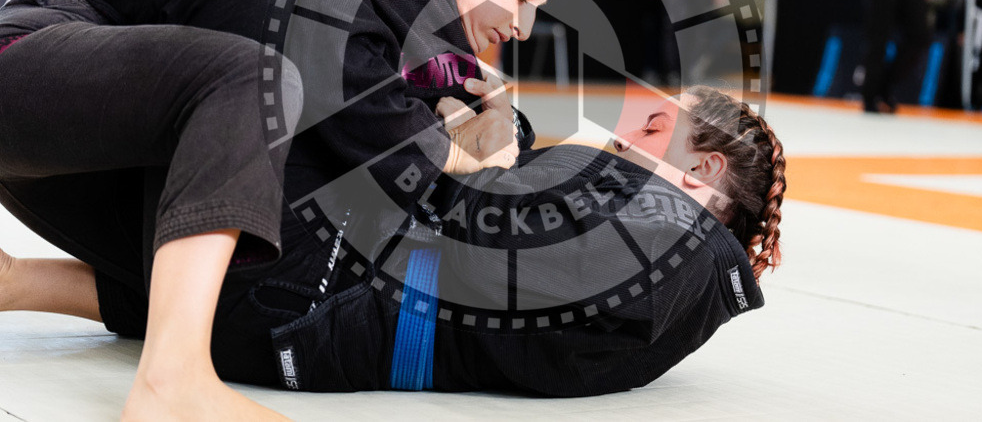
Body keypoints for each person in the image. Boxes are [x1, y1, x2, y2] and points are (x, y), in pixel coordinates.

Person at [1, 0, 564, 415]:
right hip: (64, 31)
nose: (522, 26)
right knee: (262, 36)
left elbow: (444, 149)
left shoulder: (432, 54)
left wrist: (499, 125)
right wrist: (453, 151)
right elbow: (339, 72)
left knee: (237, 253)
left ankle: (16, 282)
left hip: (100, 112)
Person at [1, 83, 785, 398]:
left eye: (655, 127)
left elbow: (488, 234)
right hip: (296, 315)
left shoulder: (671, 241)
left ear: (701, 171)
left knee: (256, 70)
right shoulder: (666, 257)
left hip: (309, 288)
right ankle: (21, 283)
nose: (624, 133)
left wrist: (459, 142)